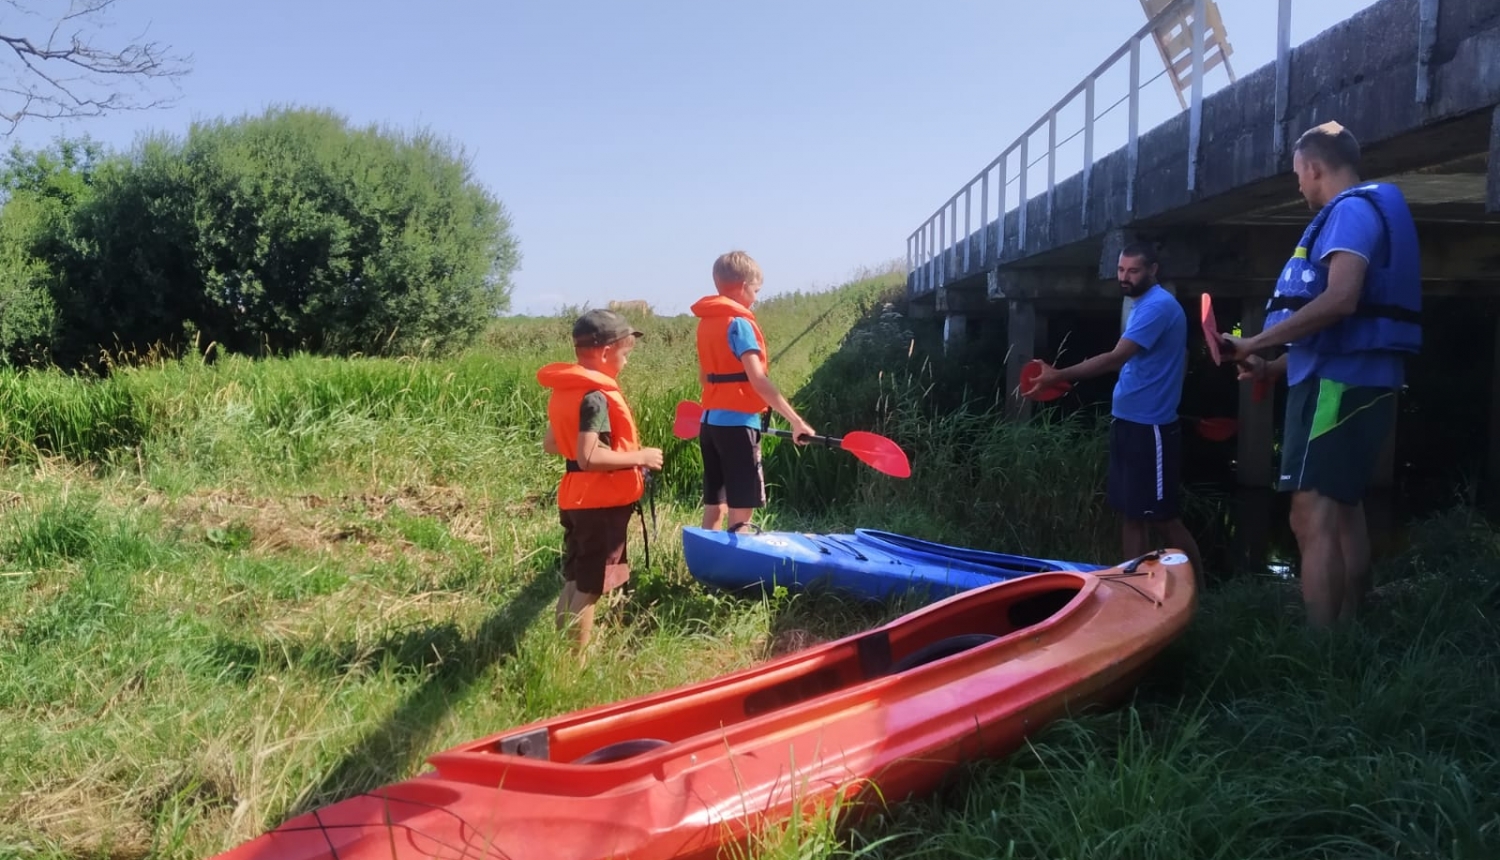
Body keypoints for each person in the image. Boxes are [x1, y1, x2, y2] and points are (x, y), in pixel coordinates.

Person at [1220, 121, 1420, 627]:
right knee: (1344, 507)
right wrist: (1270, 364)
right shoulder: (1361, 210)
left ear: (1312, 167)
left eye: (1298, 175)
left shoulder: (1349, 213)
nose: (1299, 186)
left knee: (1309, 515)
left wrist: (1253, 341)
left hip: (1339, 385)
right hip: (1348, 376)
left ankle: (1320, 650)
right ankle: (1351, 628)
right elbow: (1338, 332)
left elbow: (1341, 299)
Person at [1023, 243, 1205, 584]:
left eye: (1133, 271)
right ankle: (1133, 588)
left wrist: (1059, 374)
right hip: (1128, 421)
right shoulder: (1141, 305)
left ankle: (1199, 586)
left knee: (1163, 517)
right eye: (1121, 270)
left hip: (1151, 426)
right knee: (1130, 513)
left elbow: (1115, 358)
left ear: (1153, 270)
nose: (1125, 277)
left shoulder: (1158, 306)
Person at [538, 309, 664, 652]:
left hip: (575, 498)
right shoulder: (596, 396)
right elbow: (590, 457)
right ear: (607, 352)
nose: (625, 362)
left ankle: (559, 658)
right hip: (599, 503)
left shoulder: (568, 388)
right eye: (625, 355)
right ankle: (571, 670)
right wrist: (641, 457)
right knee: (590, 589)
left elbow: (552, 443)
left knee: (575, 580)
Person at [690, 250, 815, 532]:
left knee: (715, 502)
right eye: (756, 290)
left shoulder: (706, 322)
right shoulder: (740, 324)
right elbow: (758, 380)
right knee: (741, 507)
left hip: (709, 424)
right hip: (737, 425)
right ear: (744, 286)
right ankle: (738, 569)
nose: (756, 297)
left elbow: (703, 376)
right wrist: (796, 421)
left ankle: (708, 564)